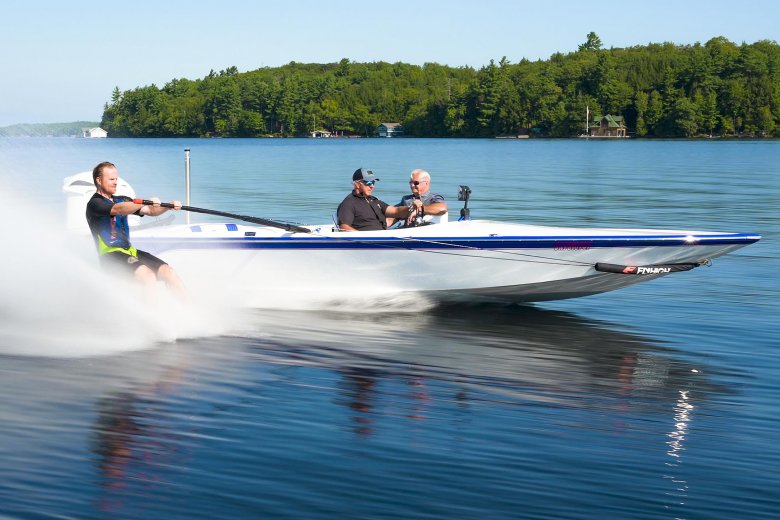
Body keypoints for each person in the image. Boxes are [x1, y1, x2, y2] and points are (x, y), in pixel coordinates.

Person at [86, 161, 187, 299]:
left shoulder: (123, 199)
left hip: (129, 251)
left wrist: (167, 206)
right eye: (111, 179)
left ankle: (190, 309)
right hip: (110, 256)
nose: (115, 182)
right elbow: (118, 209)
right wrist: (144, 201)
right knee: (147, 275)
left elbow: (151, 211)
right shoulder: (95, 204)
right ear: (99, 180)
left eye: (116, 179)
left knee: (168, 271)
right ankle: (150, 316)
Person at [336, 168, 415, 231]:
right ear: (357, 184)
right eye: (368, 183)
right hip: (366, 244)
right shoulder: (349, 203)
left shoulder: (374, 201)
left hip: (382, 238)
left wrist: (412, 209)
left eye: (373, 182)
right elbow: (344, 227)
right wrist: (365, 239)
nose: (372, 186)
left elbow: (396, 211)